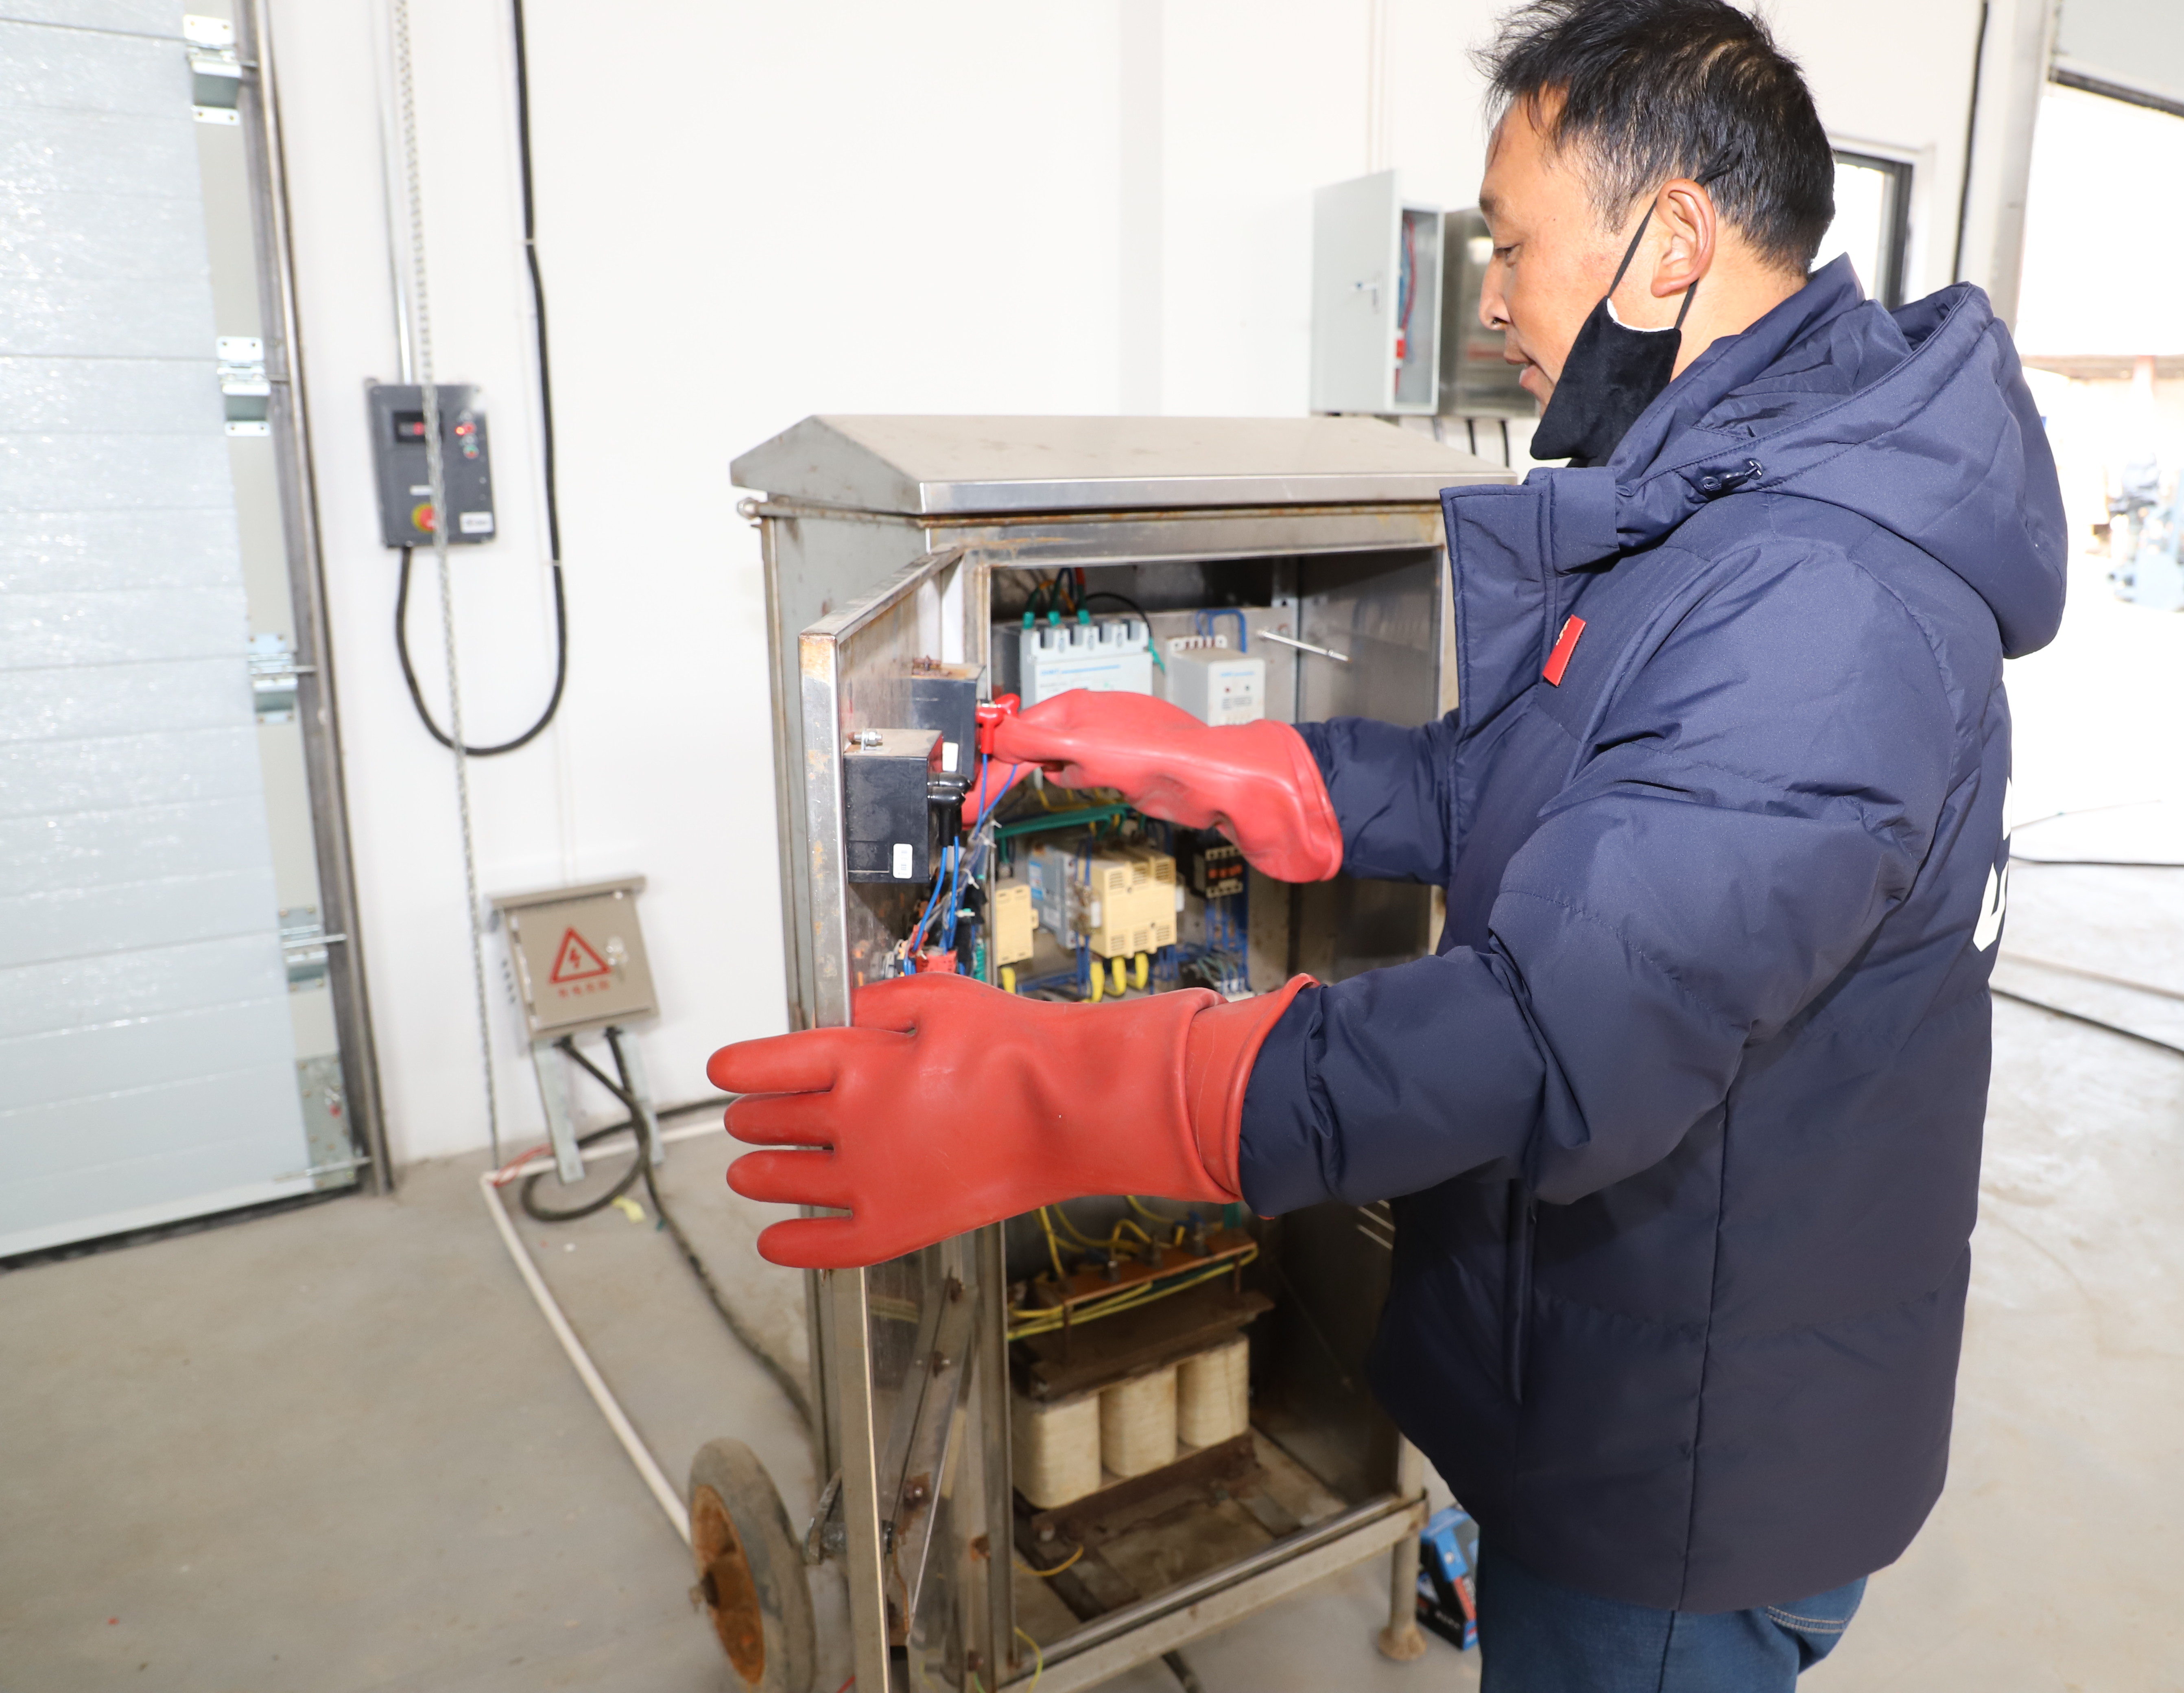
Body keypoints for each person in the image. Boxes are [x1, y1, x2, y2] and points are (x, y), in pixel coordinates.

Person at [710, 2, 2066, 1687]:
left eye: (1513, 243)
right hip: (1637, 1362)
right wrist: (1229, 764)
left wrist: (1062, 1093)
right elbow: (1516, 788)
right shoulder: (1725, 513)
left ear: (1670, 245)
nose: (1491, 299)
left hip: (1684, 1460)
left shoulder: (1819, 598)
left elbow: (1554, 1033)